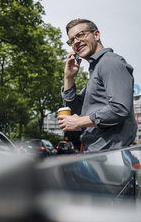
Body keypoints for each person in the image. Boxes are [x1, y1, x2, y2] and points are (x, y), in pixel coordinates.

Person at [58, 18, 137, 152]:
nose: (76, 41)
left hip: (111, 156)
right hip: (97, 156)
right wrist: (68, 78)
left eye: (81, 34)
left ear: (96, 35)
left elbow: (120, 109)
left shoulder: (110, 63)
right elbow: (75, 111)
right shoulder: (96, 70)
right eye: (72, 40)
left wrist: (79, 122)